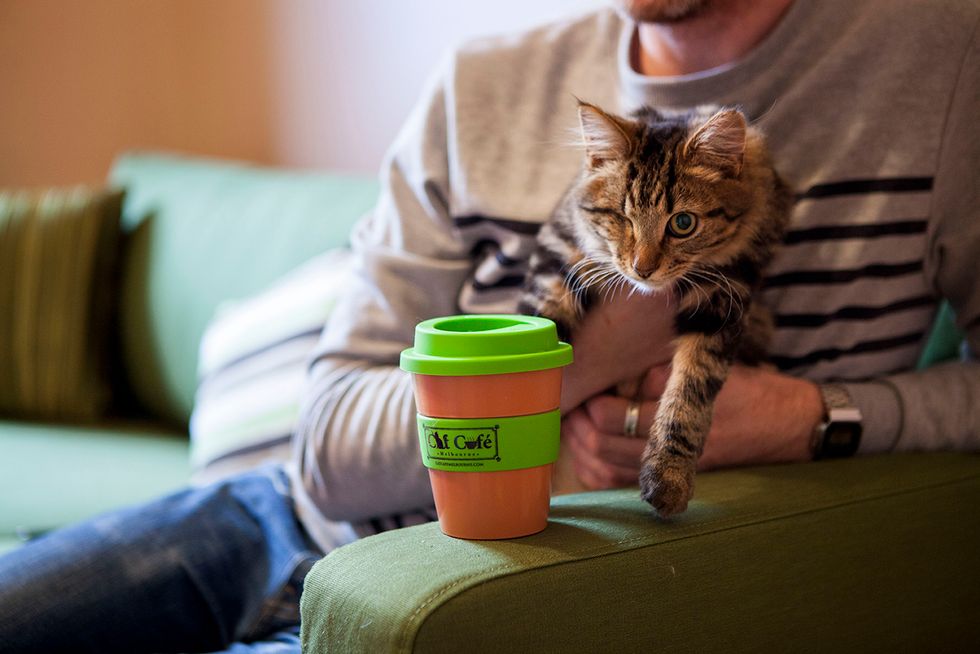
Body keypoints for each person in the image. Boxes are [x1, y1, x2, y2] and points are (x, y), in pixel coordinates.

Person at [1, 0, 978, 651]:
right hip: (278, 522)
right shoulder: (480, 86)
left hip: (491, 595)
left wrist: (817, 417)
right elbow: (325, 448)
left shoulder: (940, 61)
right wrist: (580, 363)